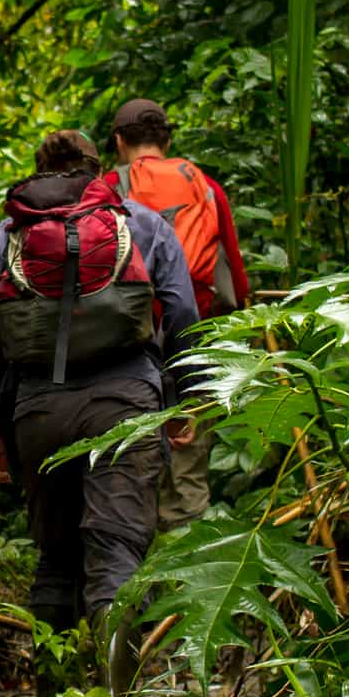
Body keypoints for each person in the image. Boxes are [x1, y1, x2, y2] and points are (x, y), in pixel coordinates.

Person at [0, 130, 199, 697]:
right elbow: (183, 310)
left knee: (56, 554)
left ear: (39, 173)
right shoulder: (140, 222)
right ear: (98, 170)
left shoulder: (10, 233)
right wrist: (184, 399)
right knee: (115, 550)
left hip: (38, 410)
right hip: (125, 404)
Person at [109, 98, 250, 529]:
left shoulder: (106, 189)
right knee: (186, 470)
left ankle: (134, 582)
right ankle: (185, 573)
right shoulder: (204, 185)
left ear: (119, 143)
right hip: (195, 342)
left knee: (129, 467)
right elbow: (236, 280)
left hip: (130, 347)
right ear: (167, 140)